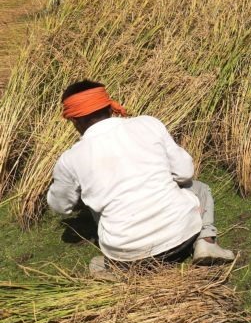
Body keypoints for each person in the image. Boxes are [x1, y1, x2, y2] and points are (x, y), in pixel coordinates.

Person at [47, 80, 235, 279]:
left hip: (128, 257)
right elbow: (184, 172)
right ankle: (206, 242)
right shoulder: (147, 124)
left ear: (75, 120)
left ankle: (115, 271)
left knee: (96, 206)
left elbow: (60, 206)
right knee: (199, 187)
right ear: (108, 106)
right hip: (183, 239)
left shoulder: (70, 159)